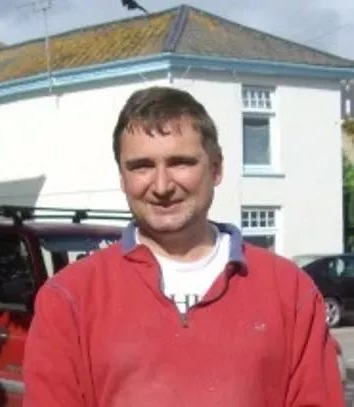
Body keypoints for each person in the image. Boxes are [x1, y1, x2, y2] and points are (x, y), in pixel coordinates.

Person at [23, 86, 344, 406]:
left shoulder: (288, 290)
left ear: (216, 168)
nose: (162, 186)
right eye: (141, 166)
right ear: (122, 177)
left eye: (180, 163)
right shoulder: (69, 299)